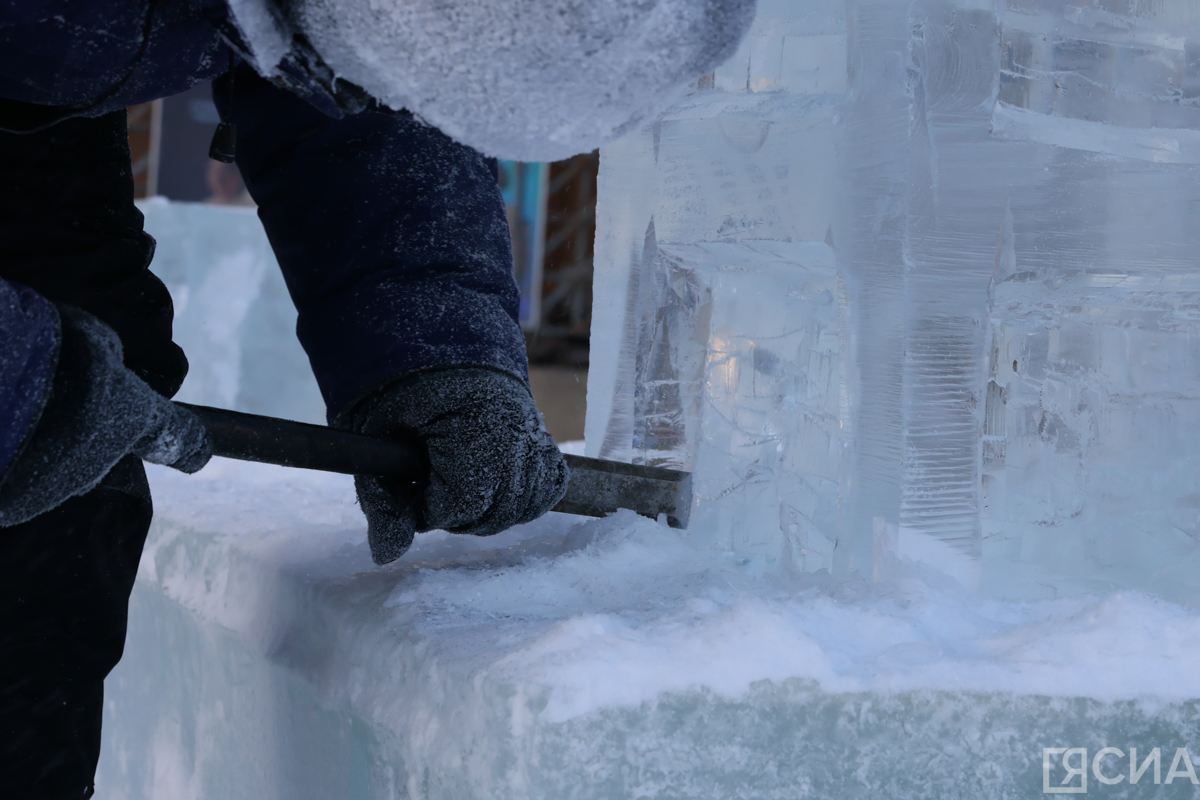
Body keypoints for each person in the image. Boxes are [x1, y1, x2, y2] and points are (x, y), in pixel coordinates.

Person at [0, 0, 755, 795]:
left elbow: (360, 66)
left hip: (41, 96)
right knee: (43, 410)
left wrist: (434, 349)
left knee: (66, 490)